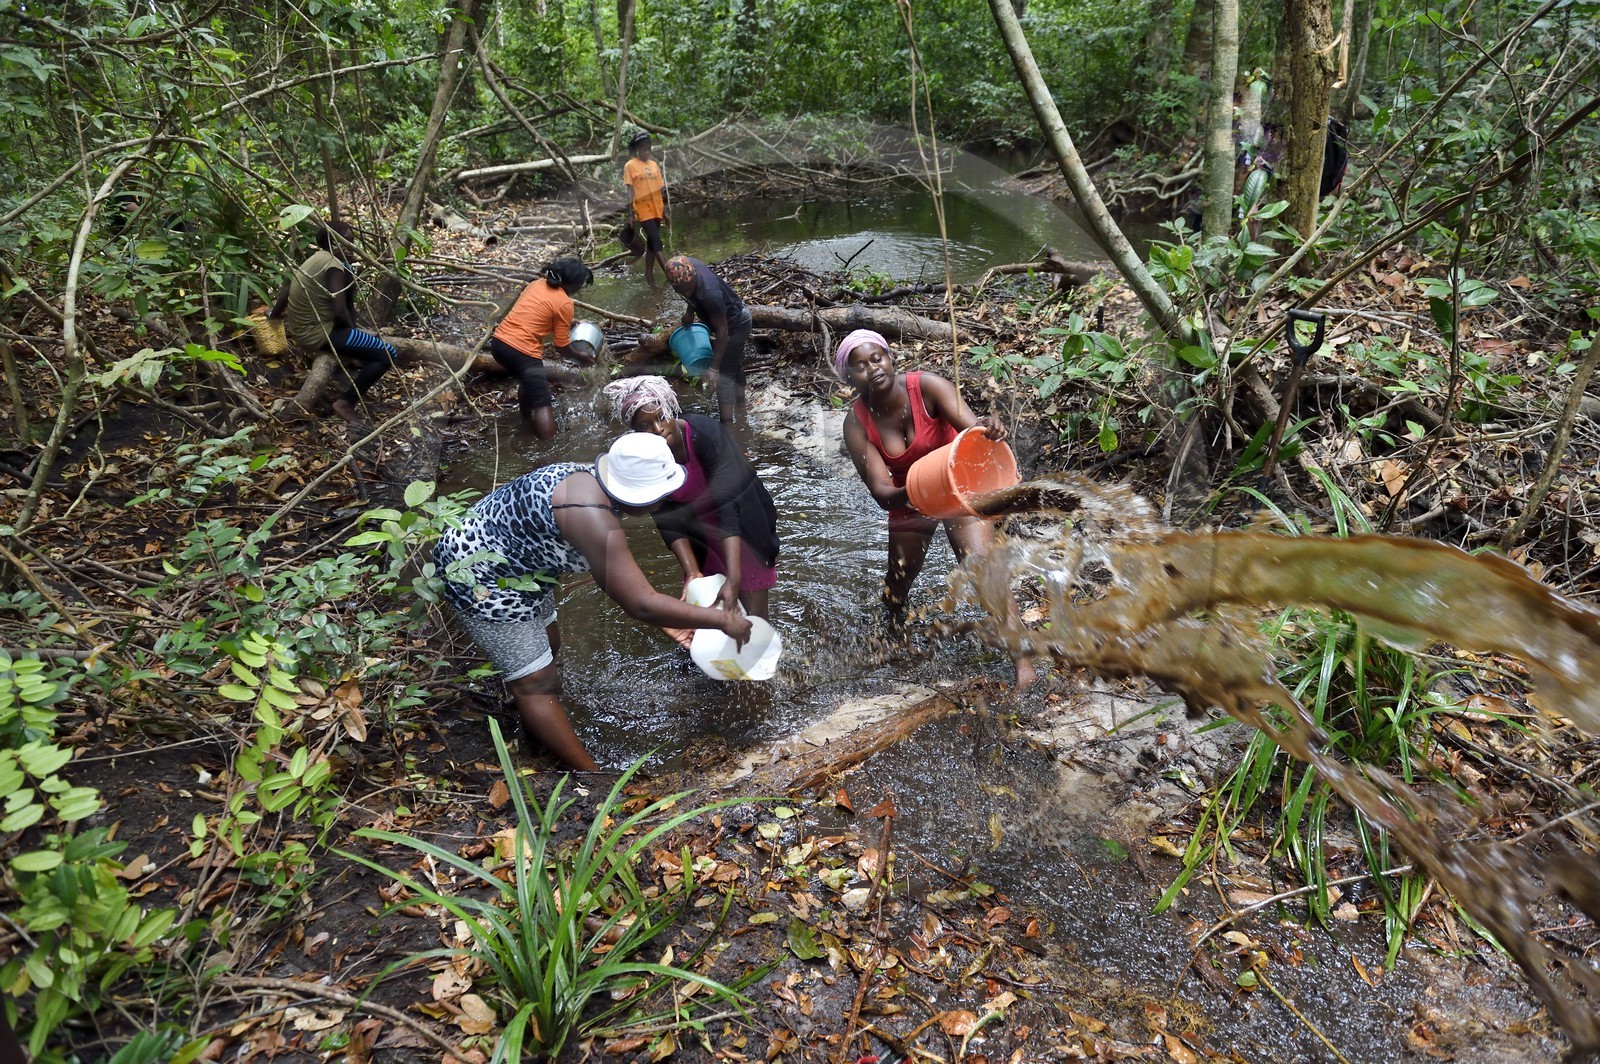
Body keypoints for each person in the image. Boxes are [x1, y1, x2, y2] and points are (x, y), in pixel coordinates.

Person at [433, 433, 754, 770]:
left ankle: (535, 719)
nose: (661, 504)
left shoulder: (591, 481)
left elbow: (616, 582)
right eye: (658, 497)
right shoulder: (594, 520)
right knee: (534, 682)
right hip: (476, 574)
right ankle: (591, 777)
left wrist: (665, 617)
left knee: (548, 646)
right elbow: (640, 602)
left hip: (519, 565)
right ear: (636, 495)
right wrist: (722, 620)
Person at [837, 329, 1036, 691]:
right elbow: (882, 492)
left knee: (983, 569)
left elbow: (974, 433)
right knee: (899, 582)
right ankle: (892, 631)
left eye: (877, 357)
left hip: (960, 489)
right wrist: (918, 492)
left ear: (890, 357)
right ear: (849, 378)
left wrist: (989, 428)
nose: (873, 368)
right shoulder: (856, 422)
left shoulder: (927, 387)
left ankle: (1023, 663)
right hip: (907, 499)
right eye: (860, 366)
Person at [603, 376, 779, 627]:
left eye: (661, 417)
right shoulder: (644, 458)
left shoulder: (706, 435)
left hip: (742, 529)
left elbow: (728, 504)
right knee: (709, 615)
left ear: (672, 411)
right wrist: (693, 571)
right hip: (701, 536)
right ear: (634, 431)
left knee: (754, 618)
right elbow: (666, 518)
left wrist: (734, 579)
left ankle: (768, 661)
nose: (657, 429)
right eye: (644, 426)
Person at [268, 220, 398, 423]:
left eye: (352, 242)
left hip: (305, 330)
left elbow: (288, 290)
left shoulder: (316, 258)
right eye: (346, 242)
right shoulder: (334, 265)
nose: (351, 247)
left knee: (367, 343)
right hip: (320, 333)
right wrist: (356, 334)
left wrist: (273, 315)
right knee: (387, 354)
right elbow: (339, 311)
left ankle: (354, 354)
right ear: (332, 242)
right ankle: (346, 402)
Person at [491, 257, 595, 439]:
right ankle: (549, 449)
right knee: (543, 403)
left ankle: (525, 421)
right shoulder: (565, 303)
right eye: (580, 284)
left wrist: (568, 322)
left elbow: (535, 311)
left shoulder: (536, 284)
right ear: (574, 283)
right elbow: (561, 347)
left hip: (499, 344)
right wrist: (580, 356)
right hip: (520, 350)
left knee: (528, 380)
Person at [665, 255, 752, 427]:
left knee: (724, 377)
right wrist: (690, 311)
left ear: (694, 277)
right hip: (726, 322)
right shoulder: (688, 267)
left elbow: (723, 331)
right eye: (682, 291)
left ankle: (727, 425)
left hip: (736, 324)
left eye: (689, 290)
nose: (686, 293)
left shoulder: (709, 294)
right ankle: (742, 407)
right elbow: (692, 296)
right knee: (733, 365)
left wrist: (713, 368)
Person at [621, 131, 669, 287]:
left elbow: (659, 189)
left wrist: (665, 211)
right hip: (642, 209)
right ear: (637, 149)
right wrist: (630, 215)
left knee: (651, 243)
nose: (647, 151)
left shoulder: (654, 165)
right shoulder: (630, 165)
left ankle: (649, 274)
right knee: (657, 240)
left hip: (657, 208)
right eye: (643, 149)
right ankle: (670, 274)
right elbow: (629, 190)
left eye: (649, 148)